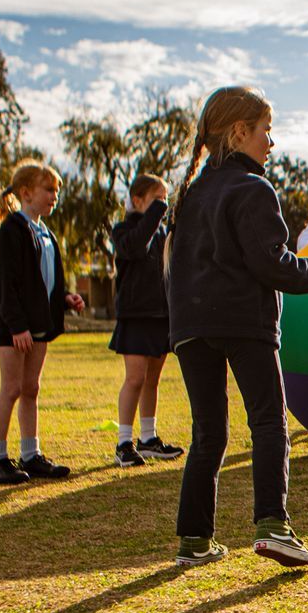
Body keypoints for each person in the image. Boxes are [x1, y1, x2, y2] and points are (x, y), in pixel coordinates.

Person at [167, 86, 308, 567]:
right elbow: (273, 264)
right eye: (266, 131)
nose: (271, 142)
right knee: (268, 421)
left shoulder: (191, 193)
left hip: (191, 327)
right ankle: (273, 525)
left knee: (208, 433)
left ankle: (195, 539)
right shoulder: (253, 188)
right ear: (240, 132)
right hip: (245, 322)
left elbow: (176, 268)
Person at [0, 160, 85, 485]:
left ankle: (31, 454)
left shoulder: (46, 233)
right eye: (49, 189)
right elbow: (5, 284)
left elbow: (44, 281)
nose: (55, 196)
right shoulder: (12, 230)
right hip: (13, 327)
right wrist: (16, 326)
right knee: (11, 388)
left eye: (57, 190)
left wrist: (66, 298)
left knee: (31, 388)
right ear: (26, 193)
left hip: (38, 325)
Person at [109, 173, 183, 467]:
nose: (162, 206)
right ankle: (123, 443)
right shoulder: (123, 230)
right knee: (135, 378)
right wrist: (156, 212)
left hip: (160, 316)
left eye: (165, 199)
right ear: (137, 200)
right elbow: (136, 246)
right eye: (157, 199)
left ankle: (148, 439)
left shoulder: (164, 234)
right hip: (135, 315)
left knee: (153, 379)